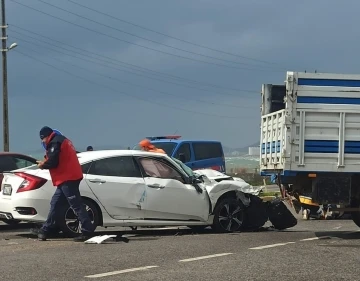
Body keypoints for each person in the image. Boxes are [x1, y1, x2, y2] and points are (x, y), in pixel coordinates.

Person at [33, 126, 94, 242]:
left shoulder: (55, 142)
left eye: (42, 139)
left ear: (45, 136)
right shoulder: (62, 140)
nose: (42, 142)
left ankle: (87, 231)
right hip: (68, 177)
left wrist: (43, 165)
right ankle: (46, 230)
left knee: (76, 204)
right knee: (55, 203)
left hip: (67, 178)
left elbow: (53, 162)